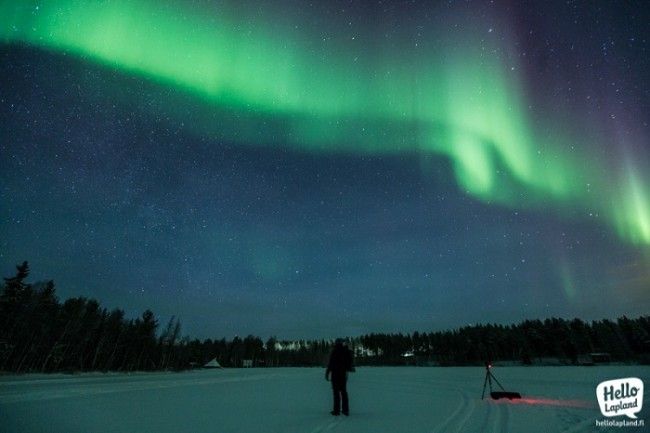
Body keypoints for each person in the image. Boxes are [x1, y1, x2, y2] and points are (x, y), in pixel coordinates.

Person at [325, 338, 354, 416]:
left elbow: (330, 363)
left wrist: (327, 373)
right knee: (344, 392)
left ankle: (336, 411)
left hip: (335, 374)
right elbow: (350, 361)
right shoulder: (346, 351)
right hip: (343, 374)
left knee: (336, 393)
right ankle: (345, 410)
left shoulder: (334, 351)